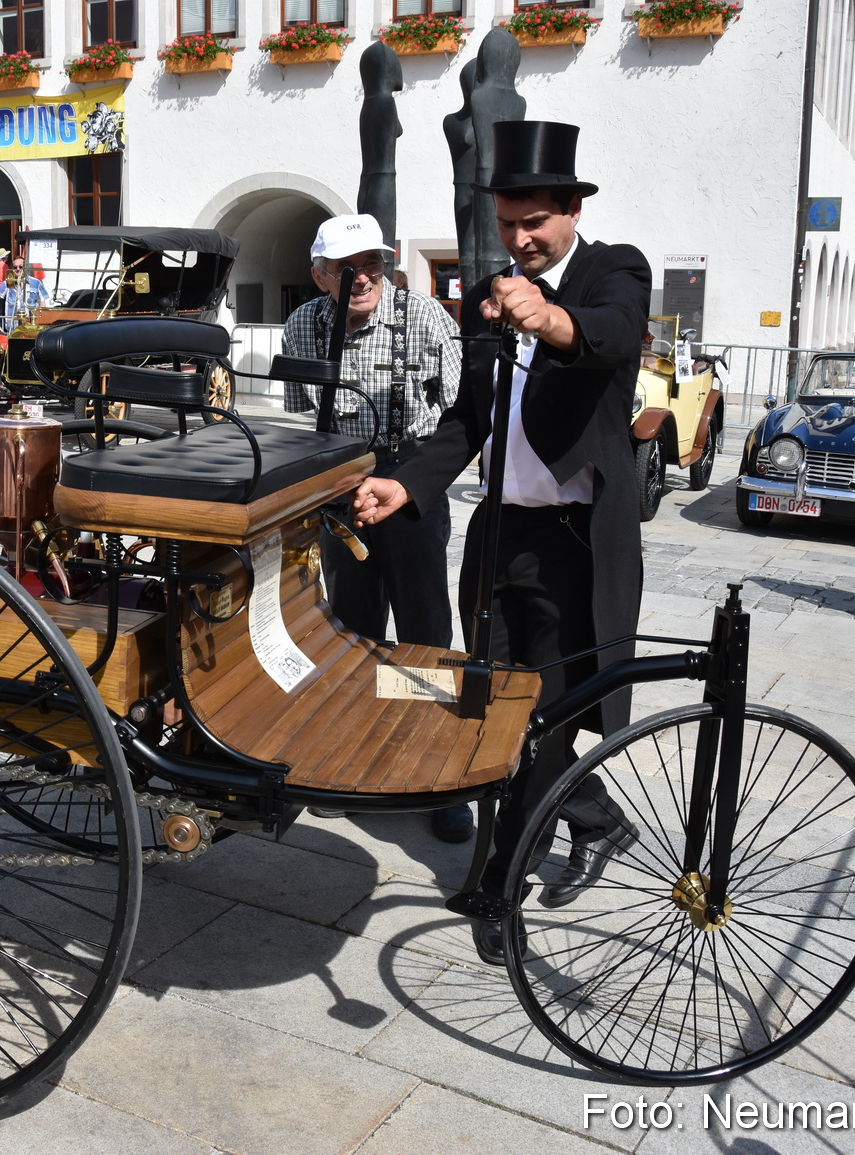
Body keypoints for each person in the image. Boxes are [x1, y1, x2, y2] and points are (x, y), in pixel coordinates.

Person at [351, 122, 650, 964]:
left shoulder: (613, 268)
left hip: (573, 541)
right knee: (491, 706)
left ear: (569, 210)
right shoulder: (489, 288)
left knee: (541, 717)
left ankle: (501, 887)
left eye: (536, 223)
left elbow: (613, 335)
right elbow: (468, 420)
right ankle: (595, 820)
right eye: (510, 223)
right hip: (499, 534)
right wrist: (407, 481)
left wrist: (549, 316)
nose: (522, 239)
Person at [282, 213, 467, 843]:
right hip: (341, 478)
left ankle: (435, 767)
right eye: (345, 269)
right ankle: (356, 754)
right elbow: (303, 417)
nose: (362, 279)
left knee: (422, 625)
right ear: (319, 275)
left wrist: (414, 478)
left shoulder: (426, 316)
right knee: (352, 621)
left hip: (412, 472)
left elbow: (462, 408)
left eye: (372, 266)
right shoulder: (304, 323)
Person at [0, 255, 50, 331]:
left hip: (30, 327)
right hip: (12, 328)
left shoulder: (36, 282)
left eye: (20, 267)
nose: (18, 269)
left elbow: (42, 303)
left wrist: (40, 319)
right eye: (15, 267)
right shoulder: (8, 283)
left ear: (25, 268)